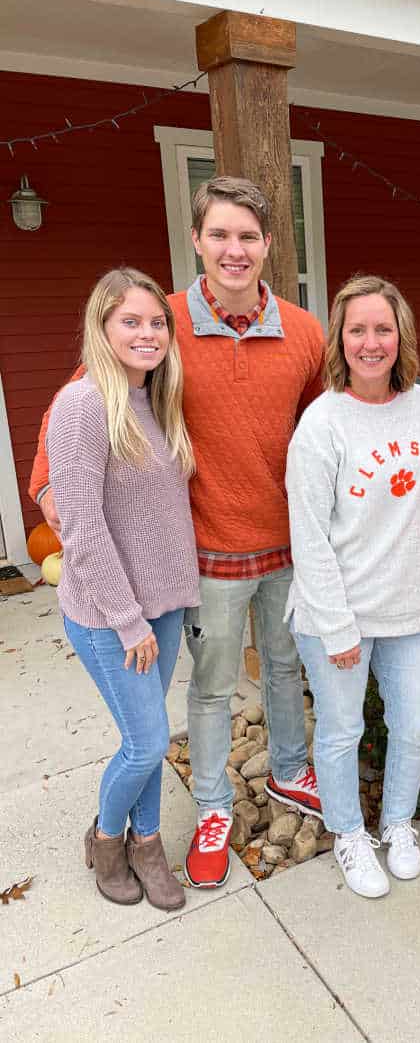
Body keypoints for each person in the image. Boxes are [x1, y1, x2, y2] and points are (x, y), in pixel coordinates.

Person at [29, 177, 325, 890]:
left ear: (268, 246)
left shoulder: (305, 331)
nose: (234, 249)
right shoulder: (153, 323)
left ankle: (288, 769)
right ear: (196, 240)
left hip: (288, 551)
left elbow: (331, 427)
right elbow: (66, 424)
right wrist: (59, 507)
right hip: (207, 558)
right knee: (213, 689)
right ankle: (215, 805)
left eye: (248, 236)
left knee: (287, 671)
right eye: (219, 234)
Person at [47, 268, 199, 912]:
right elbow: (79, 527)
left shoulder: (156, 399)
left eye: (156, 321)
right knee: (148, 743)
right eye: (129, 321)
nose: (146, 333)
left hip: (160, 609)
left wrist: (172, 606)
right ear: (102, 328)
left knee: (145, 737)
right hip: (112, 618)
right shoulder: (82, 405)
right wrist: (127, 621)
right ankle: (110, 841)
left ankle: (146, 844)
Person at [285, 275, 420, 899]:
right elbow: (309, 536)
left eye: (382, 329)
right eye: (357, 331)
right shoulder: (322, 423)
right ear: (339, 340)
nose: (371, 343)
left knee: (412, 729)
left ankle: (397, 825)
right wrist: (337, 627)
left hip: (412, 611)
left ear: (399, 334)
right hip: (338, 614)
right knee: (342, 732)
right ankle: (349, 833)